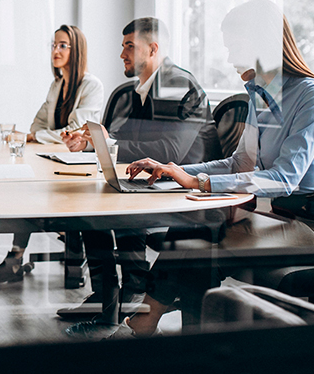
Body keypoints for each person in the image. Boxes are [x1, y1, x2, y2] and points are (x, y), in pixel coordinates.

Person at [115, 0, 314, 338]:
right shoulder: (262, 95)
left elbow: (285, 178)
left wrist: (198, 181)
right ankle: (165, 331)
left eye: (234, 46)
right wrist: (173, 169)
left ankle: (152, 326)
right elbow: (239, 163)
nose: (229, 58)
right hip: (282, 217)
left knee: (201, 246)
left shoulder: (312, 95)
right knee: (189, 233)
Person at [59, 18, 221, 328]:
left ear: (153, 49)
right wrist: (91, 142)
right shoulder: (136, 90)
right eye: (123, 47)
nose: (122, 54)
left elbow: (170, 151)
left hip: (186, 191)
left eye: (130, 47)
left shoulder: (176, 83)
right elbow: (122, 139)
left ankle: (125, 298)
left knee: (98, 211)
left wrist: (110, 141)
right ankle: (111, 296)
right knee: (87, 209)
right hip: (155, 184)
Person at [0, 25, 104, 283]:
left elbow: (74, 132)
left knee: (36, 196)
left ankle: (63, 257)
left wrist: (41, 136)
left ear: (77, 49)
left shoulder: (92, 85)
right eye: (53, 45)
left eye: (62, 45)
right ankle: (16, 259)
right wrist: (43, 134)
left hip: (79, 164)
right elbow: (37, 125)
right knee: (26, 189)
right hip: (54, 158)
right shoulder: (57, 85)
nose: (55, 51)